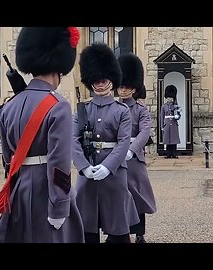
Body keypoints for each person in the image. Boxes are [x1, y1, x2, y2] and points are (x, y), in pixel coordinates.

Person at [0, 27, 84, 243]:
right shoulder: (58, 106)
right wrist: (59, 207)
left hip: (20, 188)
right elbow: (59, 164)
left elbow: (8, 157)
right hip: (47, 192)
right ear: (58, 70)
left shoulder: (9, 106)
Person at [73, 42, 139, 243]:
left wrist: (108, 166)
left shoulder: (122, 111)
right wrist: (83, 167)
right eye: (96, 80)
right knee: (86, 227)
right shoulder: (82, 111)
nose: (100, 84)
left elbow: (123, 142)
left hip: (114, 173)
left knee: (118, 228)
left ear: (111, 80)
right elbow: (72, 140)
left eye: (104, 80)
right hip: (88, 171)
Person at [118, 53, 157, 243]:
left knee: (137, 197)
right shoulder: (113, 108)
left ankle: (140, 233)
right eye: (121, 86)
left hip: (134, 159)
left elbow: (144, 133)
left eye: (126, 87)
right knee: (118, 196)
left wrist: (131, 149)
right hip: (116, 158)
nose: (122, 90)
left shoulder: (140, 111)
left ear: (133, 89)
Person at [159, 85, 181, 158]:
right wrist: (162, 126)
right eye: (168, 97)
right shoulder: (164, 106)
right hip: (167, 124)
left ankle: (174, 153)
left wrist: (177, 115)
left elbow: (179, 115)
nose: (170, 99)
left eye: (171, 97)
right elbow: (162, 116)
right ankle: (168, 154)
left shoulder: (175, 106)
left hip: (174, 124)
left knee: (174, 140)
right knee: (167, 141)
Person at [0, 96, 12, 178]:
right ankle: (6, 167)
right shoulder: (1, 111)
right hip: (4, 132)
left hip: (11, 133)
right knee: (5, 151)